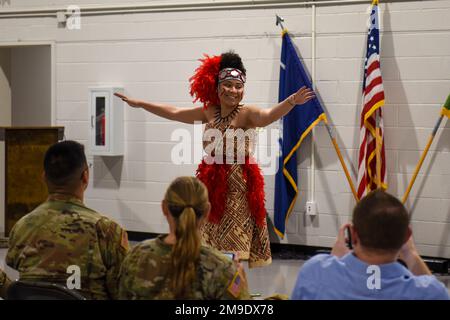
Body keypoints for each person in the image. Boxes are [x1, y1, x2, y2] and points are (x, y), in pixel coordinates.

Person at [115, 51, 315, 267]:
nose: (233, 90)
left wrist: (292, 101)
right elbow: (174, 112)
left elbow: (268, 116)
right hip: (211, 183)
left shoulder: (247, 113)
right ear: (218, 86)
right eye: (228, 84)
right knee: (208, 243)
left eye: (238, 86)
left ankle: (233, 288)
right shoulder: (210, 111)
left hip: (239, 187)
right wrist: (141, 104)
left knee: (234, 248)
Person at [6, 140, 129, 300]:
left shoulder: (21, 227)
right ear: (85, 177)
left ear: (44, 177)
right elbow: (123, 291)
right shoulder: (107, 231)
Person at [291, 190, 450, 300]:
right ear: (407, 236)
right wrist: (411, 255)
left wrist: (334, 262)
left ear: (353, 235)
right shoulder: (429, 292)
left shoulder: (314, 271)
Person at [118, 176, 250, 300]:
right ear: (207, 212)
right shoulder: (222, 269)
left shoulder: (136, 256)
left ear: (164, 208)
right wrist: (240, 282)